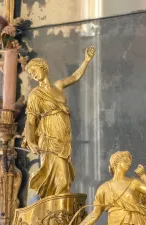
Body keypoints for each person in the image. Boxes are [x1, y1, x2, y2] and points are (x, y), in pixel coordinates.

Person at [24, 47, 95, 198]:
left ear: (43, 67)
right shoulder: (35, 95)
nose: (33, 74)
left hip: (64, 138)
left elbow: (75, 76)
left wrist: (86, 60)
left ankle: (58, 206)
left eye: (35, 70)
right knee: (61, 180)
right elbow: (30, 121)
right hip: (49, 139)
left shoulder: (58, 86)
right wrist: (30, 140)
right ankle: (56, 207)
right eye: (30, 74)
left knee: (64, 178)